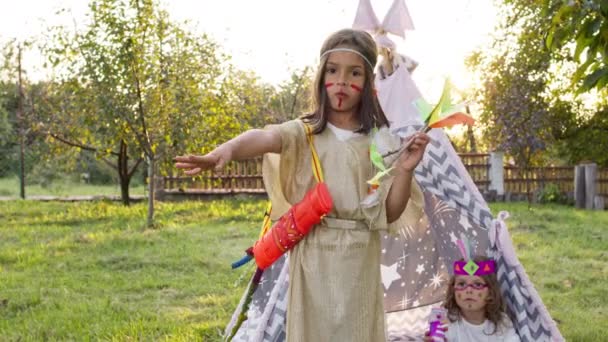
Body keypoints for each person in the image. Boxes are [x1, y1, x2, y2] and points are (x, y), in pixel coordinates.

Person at [174, 28, 430, 342]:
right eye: (333, 70)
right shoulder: (304, 133)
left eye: (354, 73)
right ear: (321, 76)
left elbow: (390, 213)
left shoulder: (380, 142)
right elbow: (265, 137)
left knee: (358, 330)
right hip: (314, 256)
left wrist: (404, 170)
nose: (341, 82)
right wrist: (225, 150)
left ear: (367, 83)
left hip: (360, 256)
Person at [424, 256, 520, 342]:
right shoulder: (445, 323)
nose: (469, 290)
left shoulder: (502, 322)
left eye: (477, 284)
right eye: (462, 284)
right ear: (454, 290)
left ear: (490, 293)